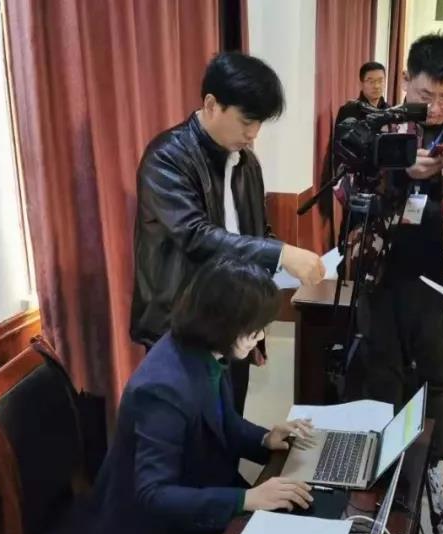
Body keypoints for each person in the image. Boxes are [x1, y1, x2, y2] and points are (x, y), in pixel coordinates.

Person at [91, 260, 316, 534]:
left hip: (199, 494)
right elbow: (154, 494)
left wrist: (265, 438)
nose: (260, 337)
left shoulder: (204, 349)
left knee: (293, 527)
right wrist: (245, 499)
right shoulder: (162, 390)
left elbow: (223, 422)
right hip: (156, 532)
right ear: (223, 323)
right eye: (255, 329)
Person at [349, 32, 443, 515]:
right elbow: (348, 191)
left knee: (440, 376)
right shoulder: (381, 125)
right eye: (424, 94)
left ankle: (439, 464)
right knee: (382, 370)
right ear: (404, 79)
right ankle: (381, 463)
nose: (435, 107)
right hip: (385, 268)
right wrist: (397, 171)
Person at [130, 52, 325, 414]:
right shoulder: (167, 157)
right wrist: (282, 254)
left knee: (229, 423)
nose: (253, 134)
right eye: (246, 121)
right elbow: (196, 236)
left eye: (259, 123)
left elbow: (257, 232)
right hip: (181, 328)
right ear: (211, 105)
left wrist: (259, 319)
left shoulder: (247, 163)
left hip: (235, 325)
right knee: (187, 432)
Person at [335, 61, 389, 126]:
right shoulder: (348, 111)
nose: (376, 86)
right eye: (371, 81)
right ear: (361, 84)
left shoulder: (389, 111)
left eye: (380, 81)